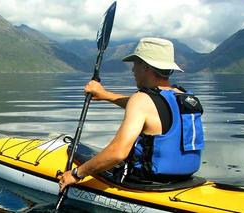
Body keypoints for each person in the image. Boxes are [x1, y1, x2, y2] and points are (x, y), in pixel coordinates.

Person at [59, 37, 204, 192]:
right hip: (186, 178)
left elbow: (117, 153)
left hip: (147, 181)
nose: (133, 70)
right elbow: (152, 110)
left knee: (81, 154)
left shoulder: (141, 100)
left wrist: (76, 174)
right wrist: (104, 94)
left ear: (145, 67)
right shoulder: (184, 98)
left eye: (135, 64)